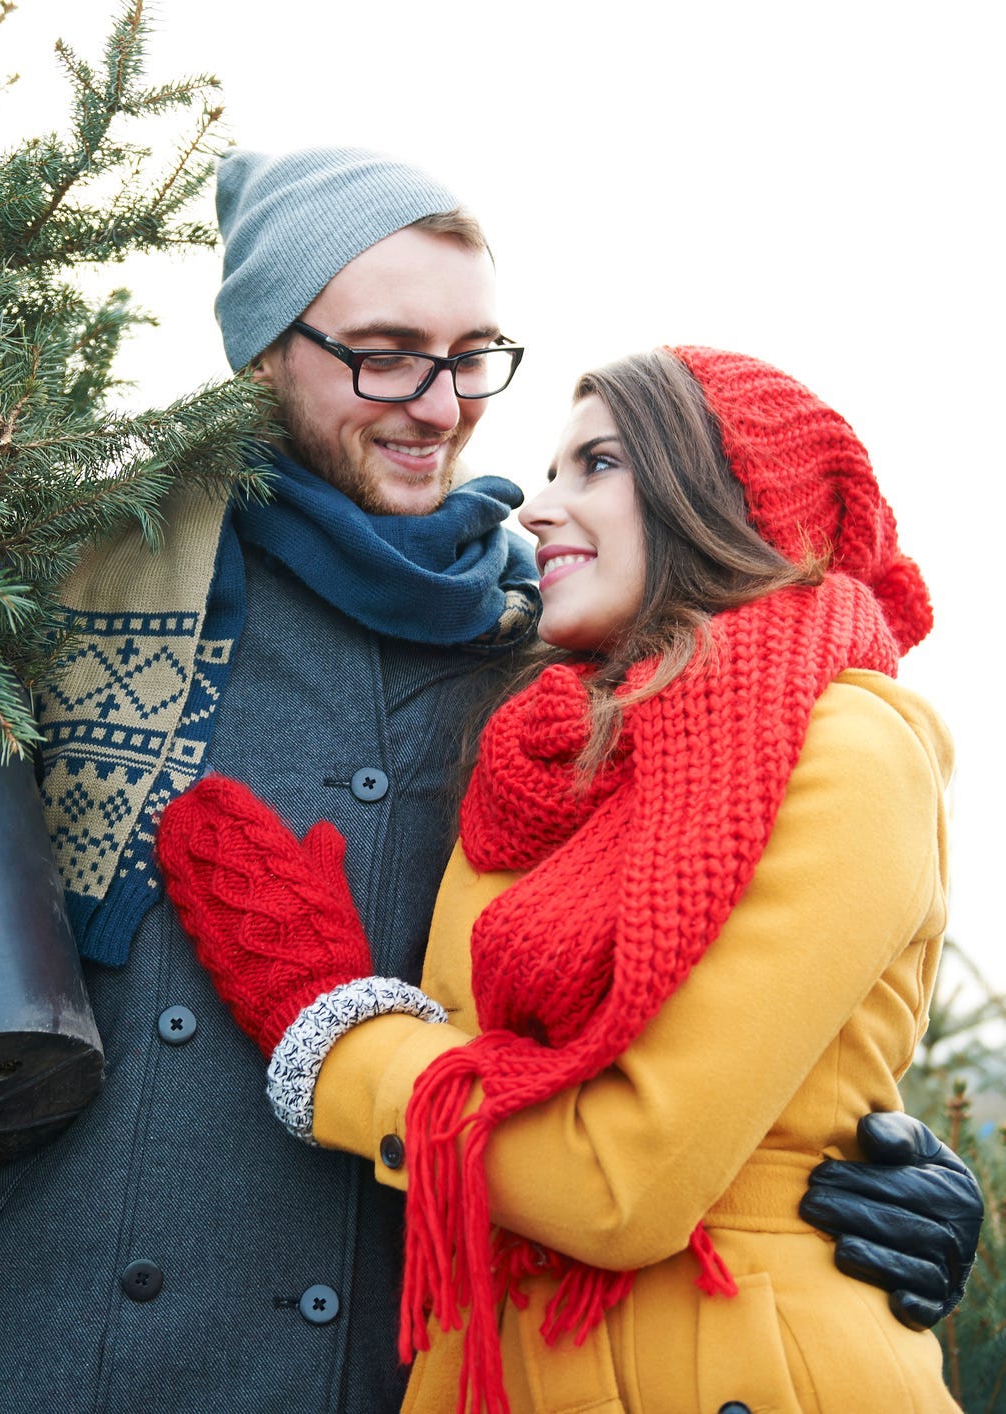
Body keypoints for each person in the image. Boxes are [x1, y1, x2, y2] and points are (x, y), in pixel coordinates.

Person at [0, 150, 980, 1412]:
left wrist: (870, 1171)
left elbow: (708, 970)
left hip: (359, 1370)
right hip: (19, 1346)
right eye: (383, 352)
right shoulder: (54, 587)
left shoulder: (556, 675)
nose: (438, 404)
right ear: (261, 353)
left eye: (473, 357)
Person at [156, 346, 964, 1411]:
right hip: (497, 1363)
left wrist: (332, 1033)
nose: (536, 507)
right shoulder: (537, 759)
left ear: (720, 496)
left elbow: (620, 1183)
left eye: (597, 464)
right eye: (548, 468)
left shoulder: (845, 745)